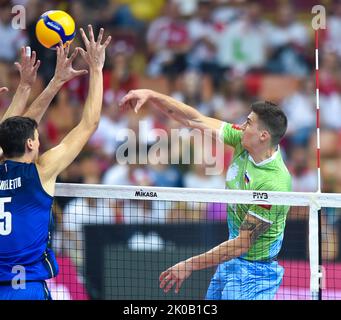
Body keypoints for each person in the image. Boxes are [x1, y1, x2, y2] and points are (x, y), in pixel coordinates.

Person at [119, 89, 292, 300]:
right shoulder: (242, 140)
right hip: (231, 261)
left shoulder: (273, 183)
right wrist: (152, 95)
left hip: (255, 274)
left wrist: (189, 265)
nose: (242, 126)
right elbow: (194, 119)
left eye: (248, 123)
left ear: (263, 136)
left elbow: (242, 243)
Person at [0, 25, 111, 300]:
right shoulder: (42, 171)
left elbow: (12, 128)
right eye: (37, 137)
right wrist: (96, 69)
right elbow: (89, 124)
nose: (40, 140)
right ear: (30, 144)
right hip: (27, 289)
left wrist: (46, 84)